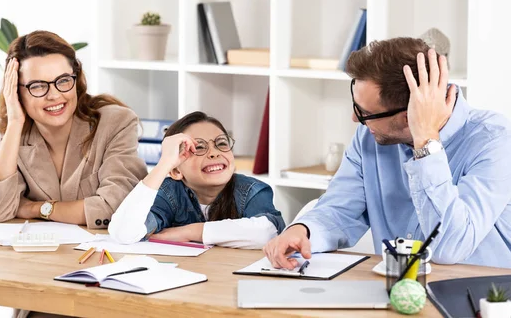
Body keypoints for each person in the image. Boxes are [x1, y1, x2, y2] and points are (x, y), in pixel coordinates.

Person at [264, 37, 511, 269]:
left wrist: (425, 141)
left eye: (364, 113)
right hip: (397, 293)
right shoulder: (368, 139)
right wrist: (303, 231)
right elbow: (340, 209)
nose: (354, 119)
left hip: (478, 302)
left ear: (409, 116)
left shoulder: (494, 140)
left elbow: (451, 246)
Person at [0, 30, 148, 230]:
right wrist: (14, 122)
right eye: (38, 86)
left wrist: (35, 208)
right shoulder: (16, 135)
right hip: (38, 257)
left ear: (76, 79)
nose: (54, 95)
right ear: (16, 91)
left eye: (64, 80)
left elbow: (120, 208)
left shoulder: (115, 123)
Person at [108, 111, 285, 249]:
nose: (214, 152)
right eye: (198, 147)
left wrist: (190, 232)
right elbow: (123, 233)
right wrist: (164, 165)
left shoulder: (251, 190)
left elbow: (268, 232)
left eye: (221, 143)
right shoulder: (169, 192)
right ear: (176, 170)